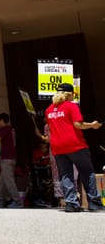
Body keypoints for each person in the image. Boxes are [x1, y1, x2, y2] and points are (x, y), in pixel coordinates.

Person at [44, 83, 103, 212]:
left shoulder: (49, 109)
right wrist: (93, 125)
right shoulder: (72, 106)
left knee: (65, 174)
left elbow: (51, 129)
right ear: (70, 94)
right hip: (75, 144)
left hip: (58, 147)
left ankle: (71, 203)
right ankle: (94, 202)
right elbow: (78, 125)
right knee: (87, 172)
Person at [0, 112, 21, 208]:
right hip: (10, 158)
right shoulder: (10, 129)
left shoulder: (4, 128)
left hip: (7, 158)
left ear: (2, 120)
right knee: (2, 181)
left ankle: (18, 202)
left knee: (9, 181)